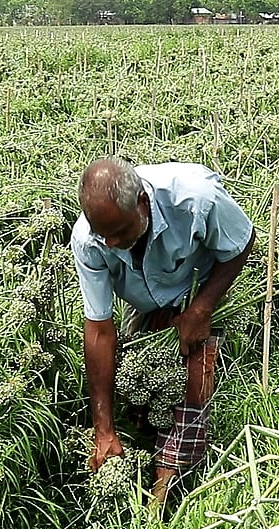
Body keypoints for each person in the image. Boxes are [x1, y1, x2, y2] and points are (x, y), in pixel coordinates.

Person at [71, 157, 255, 508]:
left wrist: (200, 310)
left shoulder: (195, 197)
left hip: (196, 287)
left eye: (121, 233)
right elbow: (99, 329)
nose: (110, 243)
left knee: (193, 382)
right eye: (103, 235)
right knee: (141, 386)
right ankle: (147, 447)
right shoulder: (89, 239)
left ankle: (166, 491)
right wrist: (103, 429)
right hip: (145, 303)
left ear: (143, 203)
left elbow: (241, 242)